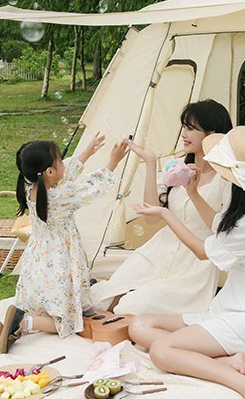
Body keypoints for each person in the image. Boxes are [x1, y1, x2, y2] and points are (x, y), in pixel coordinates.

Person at [128, 125, 245, 399]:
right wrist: (193, 192)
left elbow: (203, 251)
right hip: (228, 309)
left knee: (161, 352)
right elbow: (218, 227)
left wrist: (165, 214)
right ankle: (225, 361)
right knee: (138, 325)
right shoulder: (244, 206)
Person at [90, 100, 232, 315]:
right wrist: (150, 163)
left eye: (191, 128)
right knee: (96, 300)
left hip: (192, 266)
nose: (184, 134)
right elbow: (152, 218)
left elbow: (219, 229)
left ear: (211, 135)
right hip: (158, 252)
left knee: (131, 306)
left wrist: (193, 193)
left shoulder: (226, 180)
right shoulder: (177, 169)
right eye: (184, 127)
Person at [0, 132, 130, 353]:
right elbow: (89, 188)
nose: (64, 164)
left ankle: (41, 310)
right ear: (49, 171)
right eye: (60, 161)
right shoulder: (59, 196)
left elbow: (63, 174)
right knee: (67, 321)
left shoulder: (32, 187)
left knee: (47, 291)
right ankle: (23, 322)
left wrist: (88, 151)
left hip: (40, 255)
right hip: (60, 256)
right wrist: (113, 162)